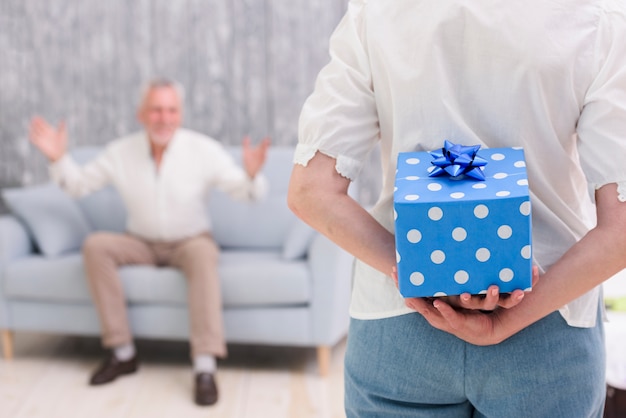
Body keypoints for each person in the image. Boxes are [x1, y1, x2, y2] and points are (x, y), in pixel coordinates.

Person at [288, 1, 626, 417]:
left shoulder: (375, 14)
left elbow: (310, 191)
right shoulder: (596, 20)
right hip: (547, 322)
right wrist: (506, 321)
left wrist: (423, 274)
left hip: (398, 325)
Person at [29, 79, 271, 406]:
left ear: (180, 114)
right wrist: (59, 159)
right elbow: (79, 185)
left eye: (171, 110)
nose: (164, 117)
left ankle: (204, 367)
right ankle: (123, 353)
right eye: (156, 109)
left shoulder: (203, 149)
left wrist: (253, 176)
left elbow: (245, 193)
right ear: (141, 113)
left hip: (190, 241)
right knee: (96, 246)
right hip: (140, 242)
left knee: (203, 254)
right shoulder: (120, 152)